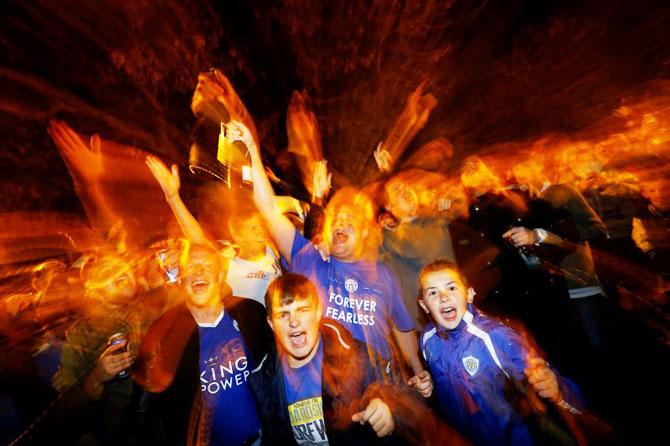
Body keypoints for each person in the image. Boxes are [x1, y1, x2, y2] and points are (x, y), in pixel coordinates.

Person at [237, 119, 425, 380]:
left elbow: (403, 328)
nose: (340, 222)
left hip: (382, 389)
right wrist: (251, 149)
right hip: (327, 390)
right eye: (335, 218)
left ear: (364, 234)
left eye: (349, 221)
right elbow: (268, 209)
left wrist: (418, 372)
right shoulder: (308, 259)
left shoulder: (383, 274)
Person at [257, 273, 463, 446]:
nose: (294, 321)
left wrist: (391, 409)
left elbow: (410, 400)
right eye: (283, 314)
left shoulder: (357, 356)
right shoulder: (264, 379)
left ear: (318, 312)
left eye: (303, 310)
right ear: (271, 323)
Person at [415, 259, 584, 446]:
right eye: (433, 292)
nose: (443, 297)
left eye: (452, 288)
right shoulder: (426, 338)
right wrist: (429, 382)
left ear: (469, 294)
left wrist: (557, 389)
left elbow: (545, 374)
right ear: (424, 306)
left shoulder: (494, 336)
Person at [134, 242, 272, 446]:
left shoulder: (249, 313)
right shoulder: (164, 336)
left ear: (220, 276)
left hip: (261, 439)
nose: (199, 272)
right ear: (181, 280)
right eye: (190, 267)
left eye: (207, 266)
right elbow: (142, 415)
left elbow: (276, 370)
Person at [146, 156, 281, 306]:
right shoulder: (230, 267)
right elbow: (198, 239)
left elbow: (261, 203)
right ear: (238, 235)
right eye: (253, 229)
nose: (261, 232)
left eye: (261, 226)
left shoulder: (272, 250)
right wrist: (173, 197)